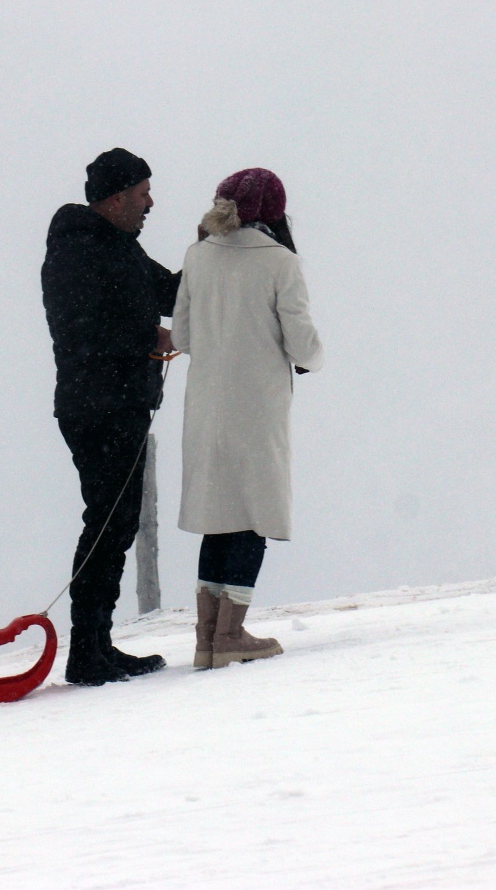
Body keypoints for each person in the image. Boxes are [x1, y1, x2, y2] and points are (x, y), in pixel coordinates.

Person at [172, 168, 323, 669]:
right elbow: (302, 343)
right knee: (252, 518)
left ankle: (206, 639)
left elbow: (184, 338)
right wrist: (312, 356)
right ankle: (231, 637)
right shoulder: (281, 263)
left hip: (206, 408)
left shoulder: (198, 257)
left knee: (219, 519)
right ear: (275, 213)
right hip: (256, 408)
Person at [41, 148, 181, 686]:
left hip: (118, 403)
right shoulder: (78, 250)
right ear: (117, 197)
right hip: (97, 406)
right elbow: (82, 330)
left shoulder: (119, 248)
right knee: (107, 523)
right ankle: (87, 651)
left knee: (115, 523)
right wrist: (148, 339)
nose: (151, 203)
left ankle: (96, 645)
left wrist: (223, 258)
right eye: (144, 193)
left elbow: (170, 291)